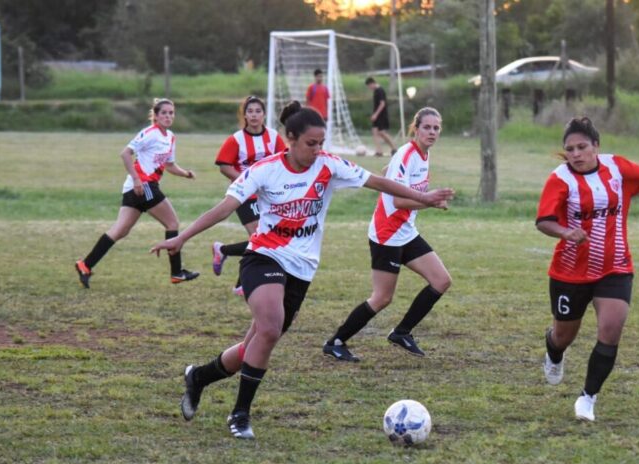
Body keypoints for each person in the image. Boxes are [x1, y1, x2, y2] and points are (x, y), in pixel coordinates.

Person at [150, 101, 453, 439]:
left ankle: (199, 377)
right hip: (263, 257)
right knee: (269, 327)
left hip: (302, 269)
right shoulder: (265, 170)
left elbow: (378, 182)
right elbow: (224, 208)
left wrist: (422, 199)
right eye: (311, 143)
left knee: (255, 345)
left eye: (321, 143)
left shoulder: (328, 165)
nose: (317, 150)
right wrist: (182, 238)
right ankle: (240, 415)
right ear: (290, 139)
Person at [535, 117, 639, 422]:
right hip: (570, 272)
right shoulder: (560, 179)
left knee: (611, 329)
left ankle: (588, 398)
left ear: (596, 146)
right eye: (570, 149)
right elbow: (543, 221)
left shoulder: (617, 168)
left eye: (581, 147)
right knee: (564, 335)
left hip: (615, 267)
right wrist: (566, 233)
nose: (576, 154)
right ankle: (554, 351)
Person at [322, 107, 450, 362]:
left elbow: (392, 176)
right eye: (427, 127)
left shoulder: (423, 155)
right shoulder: (407, 153)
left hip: (405, 231)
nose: (432, 132)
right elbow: (399, 201)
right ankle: (335, 342)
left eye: (436, 128)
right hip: (387, 233)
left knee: (441, 281)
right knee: (382, 298)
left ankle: (402, 332)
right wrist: (430, 201)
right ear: (416, 128)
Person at [74, 98, 199, 289]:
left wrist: (186, 174)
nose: (168, 116)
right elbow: (125, 153)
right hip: (143, 185)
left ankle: (85, 265)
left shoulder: (171, 137)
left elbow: (169, 165)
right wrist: (137, 179)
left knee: (120, 230)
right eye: (163, 113)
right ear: (156, 116)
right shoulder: (149, 133)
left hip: (138, 188)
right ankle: (177, 272)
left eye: (171, 113)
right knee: (172, 223)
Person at [211, 96, 286, 295]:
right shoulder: (236, 139)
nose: (254, 115)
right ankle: (241, 283)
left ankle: (223, 251)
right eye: (250, 111)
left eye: (258, 111)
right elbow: (224, 167)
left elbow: (284, 161)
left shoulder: (273, 137)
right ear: (244, 115)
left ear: (264, 114)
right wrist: (248, 182)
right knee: (259, 237)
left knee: (264, 239)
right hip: (244, 195)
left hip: (269, 196)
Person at [365, 77, 397, 157]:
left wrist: (376, 114)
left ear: (372, 83)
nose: (369, 88)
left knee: (382, 132)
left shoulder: (380, 91)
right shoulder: (376, 91)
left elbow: (382, 104)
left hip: (381, 115)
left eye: (369, 86)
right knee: (374, 131)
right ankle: (379, 151)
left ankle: (394, 148)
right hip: (377, 115)